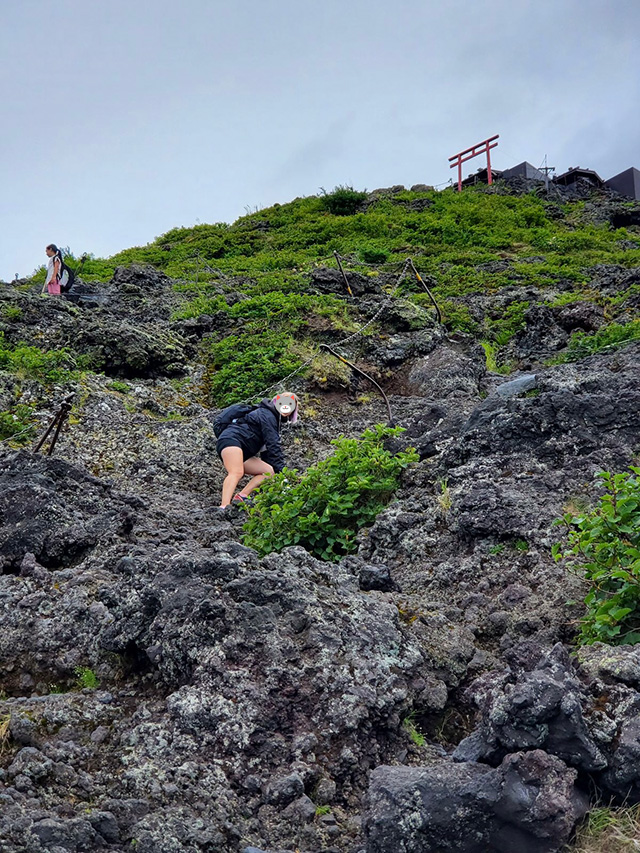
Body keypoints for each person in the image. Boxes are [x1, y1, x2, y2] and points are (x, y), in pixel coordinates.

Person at [216, 392, 299, 507]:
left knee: (268, 472)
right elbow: (273, 444)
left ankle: (241, 497)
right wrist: (283, 473)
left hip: (243, 450)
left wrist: (278, 474)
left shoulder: (273, 419)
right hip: (231, 440)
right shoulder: (267, 415)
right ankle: (224, 506)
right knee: (236, 472)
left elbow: (267, 452)